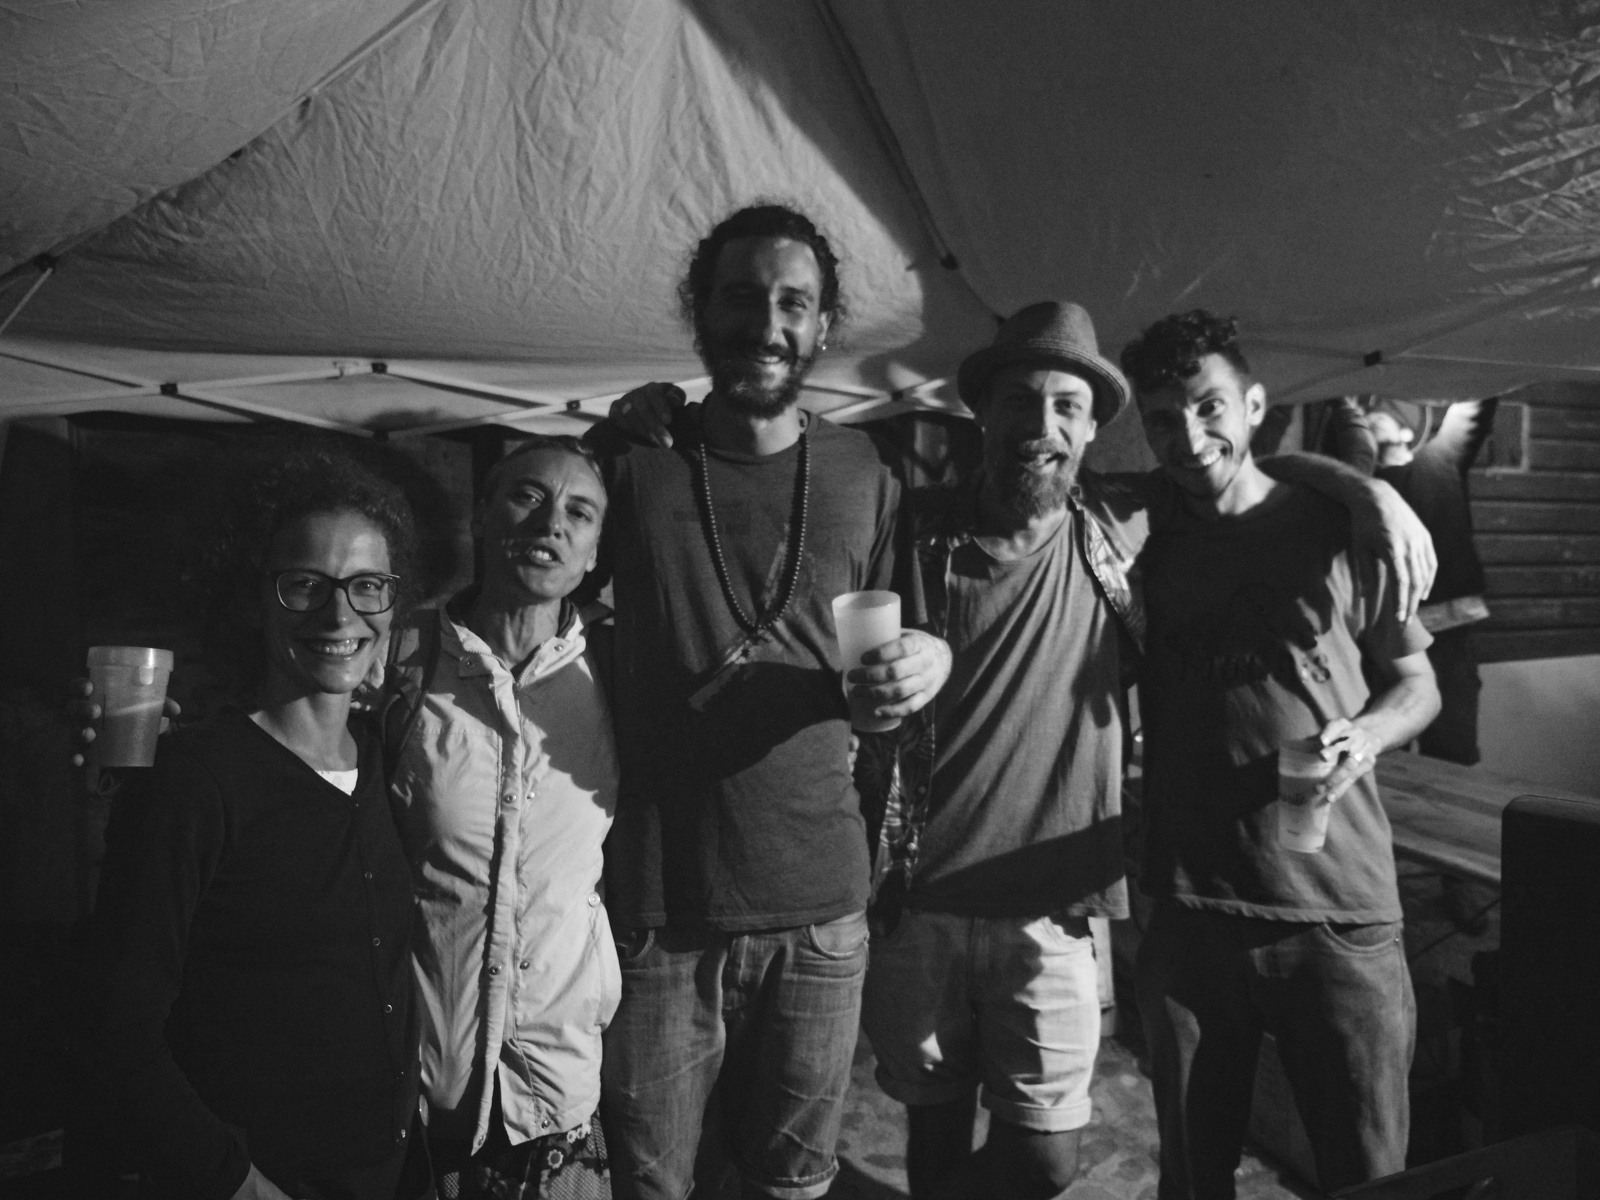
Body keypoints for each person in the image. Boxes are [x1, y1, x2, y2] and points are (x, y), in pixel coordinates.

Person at [851, 303, 1438, 1200]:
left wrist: (1372, 493)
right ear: (984, 412)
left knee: (1350, 1173)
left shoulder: (1180, 521)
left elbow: (1249, 482)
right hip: (1082, 904)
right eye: (1020, 401)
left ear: (1093, 429)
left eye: (1067, 406)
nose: (1189, 437)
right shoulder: (957, 527)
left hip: (1246, 906)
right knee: (1150, 1169)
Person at [590, 203, 952, 1200]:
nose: (768, 323)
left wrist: (923, 663)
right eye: (743, 298)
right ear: (701, 311)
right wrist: (608, 428)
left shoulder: (865, 469)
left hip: (823, 904)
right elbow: (537, 597)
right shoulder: (634, 461)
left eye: (794, 302)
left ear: (824, 324)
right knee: (654, 1186)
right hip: (663, 908)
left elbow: (904, 648)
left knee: (793, 1186)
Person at [1123, 310, 1441, 1199]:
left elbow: (1419, 685)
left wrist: (1367, 734)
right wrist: (1363, 483)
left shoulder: (1337, 529)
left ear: (1255, 405)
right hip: (1192, 911)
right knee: (1193, 1181)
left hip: (1337, 909)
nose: (1190, 437)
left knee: (1368, 1177)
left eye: (1209, 406)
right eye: (1163, 418)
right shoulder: (1147, 533)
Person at [82, 449, 424, 1200]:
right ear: (254, 598)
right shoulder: (194, 780)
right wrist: (231, 1179)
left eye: (367, 585)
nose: (341, 614)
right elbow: (118, 1025)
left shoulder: (380, 761)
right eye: (306, 584)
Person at [382, 434, 619, 1197]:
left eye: (579, 512)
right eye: (528, 496)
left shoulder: (617, 670)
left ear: (593, 552)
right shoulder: (401, 658)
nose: (551, 522)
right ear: (481, 515)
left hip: (556, 1103)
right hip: (418, 1089)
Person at [1369, 397, 1498, 764]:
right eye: (1368, 414)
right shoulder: (1360, 484)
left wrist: (1461, 373)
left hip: (1448, 633)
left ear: (1407, 430)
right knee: (1386, 750)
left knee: (1452, 747)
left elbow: (1475, 409)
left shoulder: (1438, 460)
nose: (1371, 417)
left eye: (1384, 414)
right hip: (1388, 637)